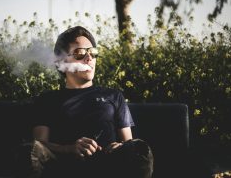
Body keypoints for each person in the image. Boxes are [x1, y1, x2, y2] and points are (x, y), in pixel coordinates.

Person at [29, 26, 154, 178]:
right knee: (30, 150)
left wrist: (120, 147)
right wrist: (69, 149)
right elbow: (39, 145)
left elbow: (129, 143)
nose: (89, 58)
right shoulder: (48, 100)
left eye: (93, 52)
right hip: (63, 168)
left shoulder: (114, 96)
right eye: (80, 53)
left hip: (110, 168)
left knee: (139, 149)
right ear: (61, 60)